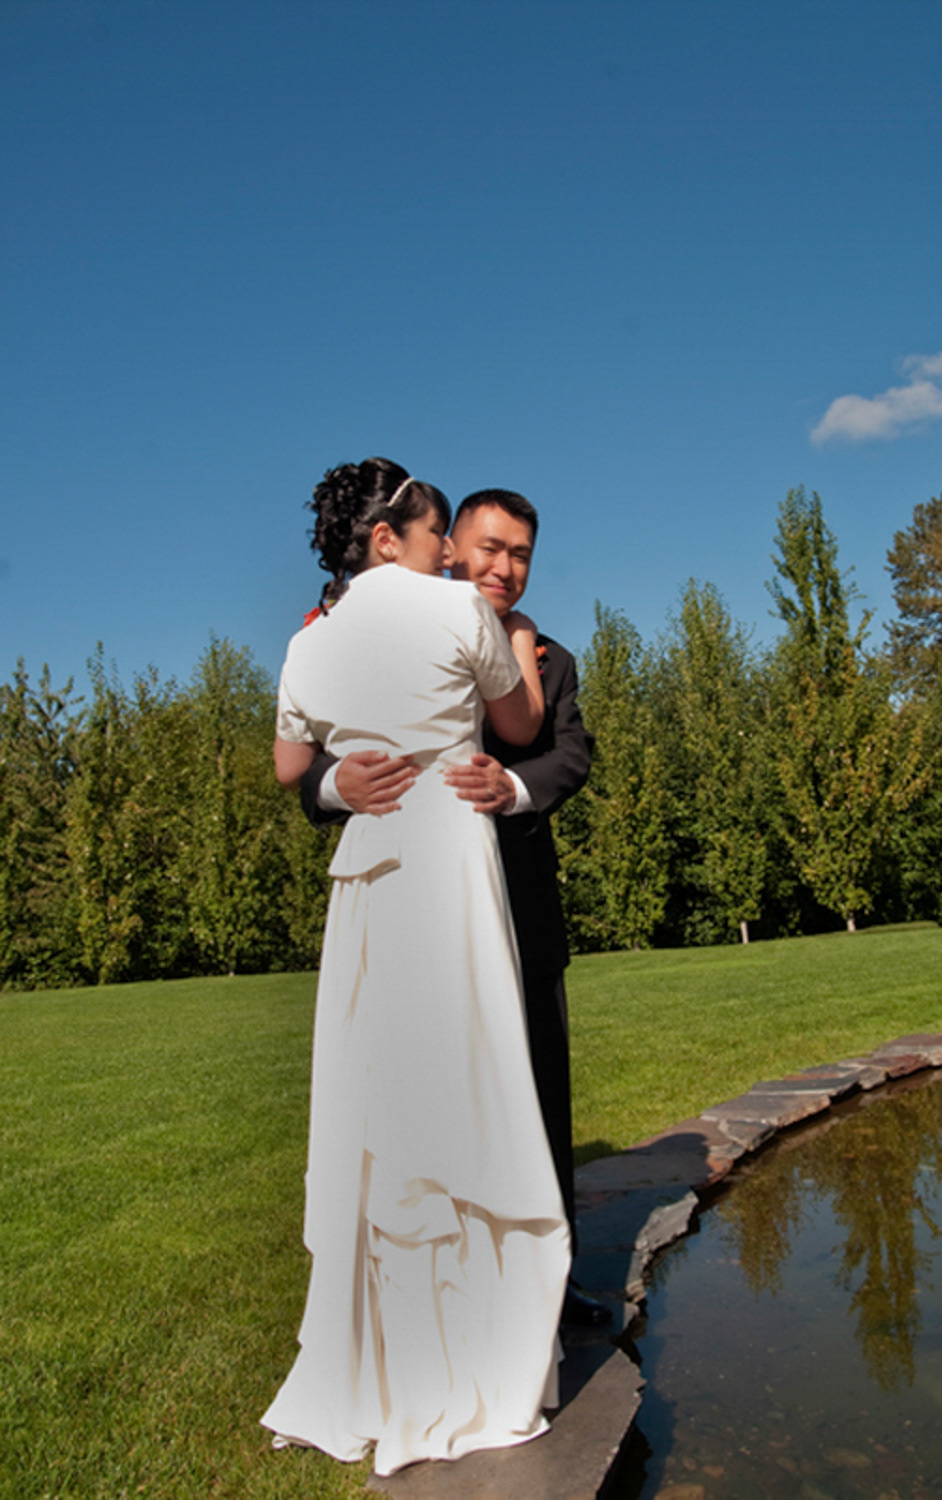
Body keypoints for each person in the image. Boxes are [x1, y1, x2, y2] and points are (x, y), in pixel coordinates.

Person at [262, 460, 571, 1476]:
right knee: (470, 1088)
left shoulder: (308, 642)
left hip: (369, 882)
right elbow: (520, 724)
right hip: (444, 862)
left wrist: (344, 783)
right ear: (391, 533)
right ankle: (484, 1339)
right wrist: (514, 648)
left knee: (382, 1101)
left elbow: (288, 771)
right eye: (441, 529)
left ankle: (381, 1354)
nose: (455, 550)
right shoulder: (456, 613)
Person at [300, 489, 605, 1323]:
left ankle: (553, 1284)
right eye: (488, 547)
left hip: (522, 911)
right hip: (415, 911)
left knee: (538, 1095)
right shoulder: (371, 638)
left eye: (522, 555)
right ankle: (434, 1286)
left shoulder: (548, 656)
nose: (503, 568)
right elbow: (311, 767)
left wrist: (512, 785)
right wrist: (336, 784)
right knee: (423, 1103)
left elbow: (570, 754)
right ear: (446, 548)